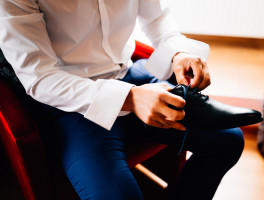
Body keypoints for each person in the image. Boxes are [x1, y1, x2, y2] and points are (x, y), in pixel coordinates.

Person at [0, 1, 244, 199]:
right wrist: (130, 98)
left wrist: (179, 52)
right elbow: (40, 78)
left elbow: (156, 18)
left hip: (127, 74)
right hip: (71, 104)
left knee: (229, 140)